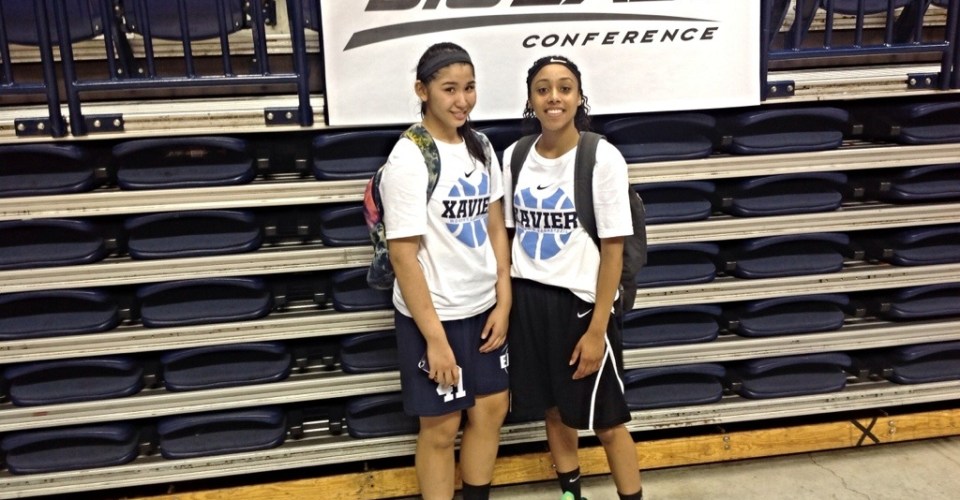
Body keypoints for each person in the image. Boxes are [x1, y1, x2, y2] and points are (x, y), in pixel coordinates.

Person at [502, 55, 644, 500]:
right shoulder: (515, 156)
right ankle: (571, 495)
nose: (554, 97)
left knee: (608, 423)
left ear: (580, 97)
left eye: (565, 88)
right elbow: (509, 236)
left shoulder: (601, 157)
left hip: (581, 308)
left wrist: (597, 330)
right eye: (543, 88)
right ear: (530, 99)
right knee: (554, 411)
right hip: (529, 302)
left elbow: (614, 250)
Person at [379, 42, 511, 500]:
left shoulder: (482, 146)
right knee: (441, 427)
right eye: (449, 89)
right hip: (435, 315)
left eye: (469, 88)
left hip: (483, 307)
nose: (462, 100)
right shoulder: (409, 157)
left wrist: (504, 301)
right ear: (423, 90)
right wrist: (434, 339)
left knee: (491, 411)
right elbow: (402, 256)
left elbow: (495, 226)